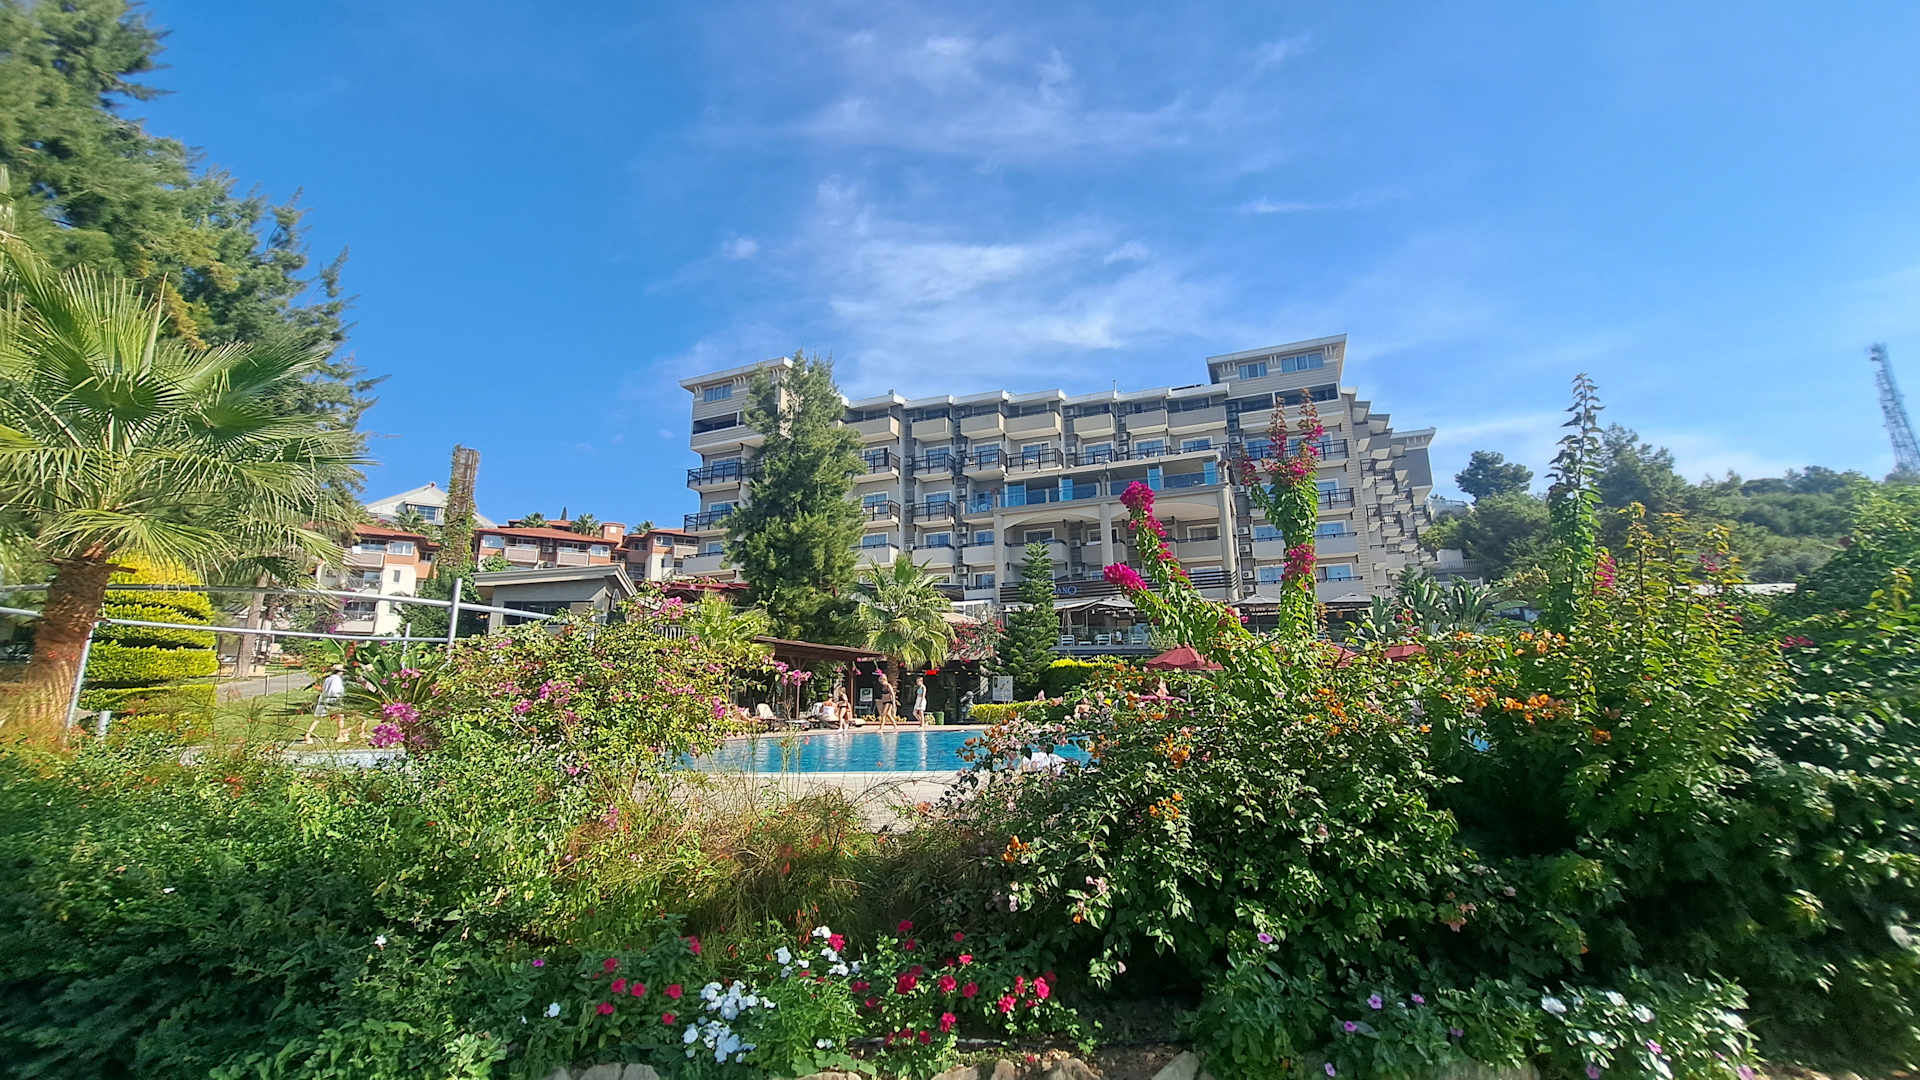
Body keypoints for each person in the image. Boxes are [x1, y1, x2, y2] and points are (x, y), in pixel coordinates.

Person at [303, 664, 348, 744]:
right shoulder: (337, 679)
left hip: (324, 699)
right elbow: (336, 691)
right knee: (340, 718)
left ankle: (308, 734)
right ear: (340, 672)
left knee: (317, 719)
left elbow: (323, 689)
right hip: (334, 700)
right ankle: (340, 736)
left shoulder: (328, 679)